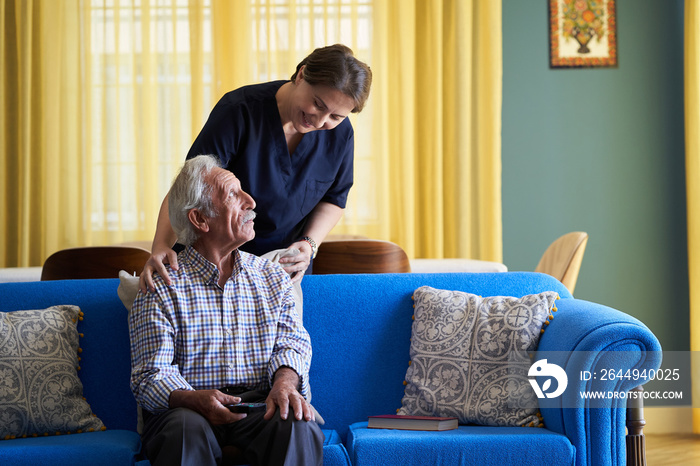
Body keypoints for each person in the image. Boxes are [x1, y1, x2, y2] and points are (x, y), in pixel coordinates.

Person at [129, 155, 323, 466]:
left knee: (297, 423)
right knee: (181, 430)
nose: (251, 202)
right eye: (233, 194)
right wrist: (193, 398)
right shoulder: (162, 285)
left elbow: (292, 345)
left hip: (261, 406)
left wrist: (284, 385)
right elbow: (150, 376)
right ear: (200, 220)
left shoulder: (273, 278)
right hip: (187, 410)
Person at [140, 44, 372, 291]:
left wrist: (309, 243)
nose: (320, 121)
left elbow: (334, 198)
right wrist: (161, 246)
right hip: (216, 262)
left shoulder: (341, 135)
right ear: (302, 74)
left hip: (281, 268)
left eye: (336, 117)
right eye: (318, 104)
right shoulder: (239, 111)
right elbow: (188, 187)